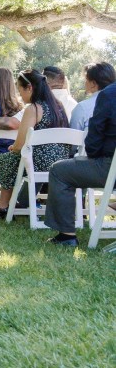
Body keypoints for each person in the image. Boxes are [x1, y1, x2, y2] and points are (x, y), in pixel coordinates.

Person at [0, 68, 69, 220]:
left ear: (29, 88)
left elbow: (21, 143)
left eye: (21, 90)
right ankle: (2, 207)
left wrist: (15, 147)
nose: (21, 96)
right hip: (59, 161)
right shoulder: (58, 106)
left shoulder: (34, 108)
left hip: (37, 162)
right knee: (9, 161)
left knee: (2, 160)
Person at [44, 79, 116, 247]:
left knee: (59, 170)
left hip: (110, 167)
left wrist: (92, 154)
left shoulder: (110, 94)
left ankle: (66, 235)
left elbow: (95, 136)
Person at [69, 62, 115, 132]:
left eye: (86, 80)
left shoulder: (83, 108)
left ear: (93, 84)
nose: (85, 83)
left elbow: (72, 137)